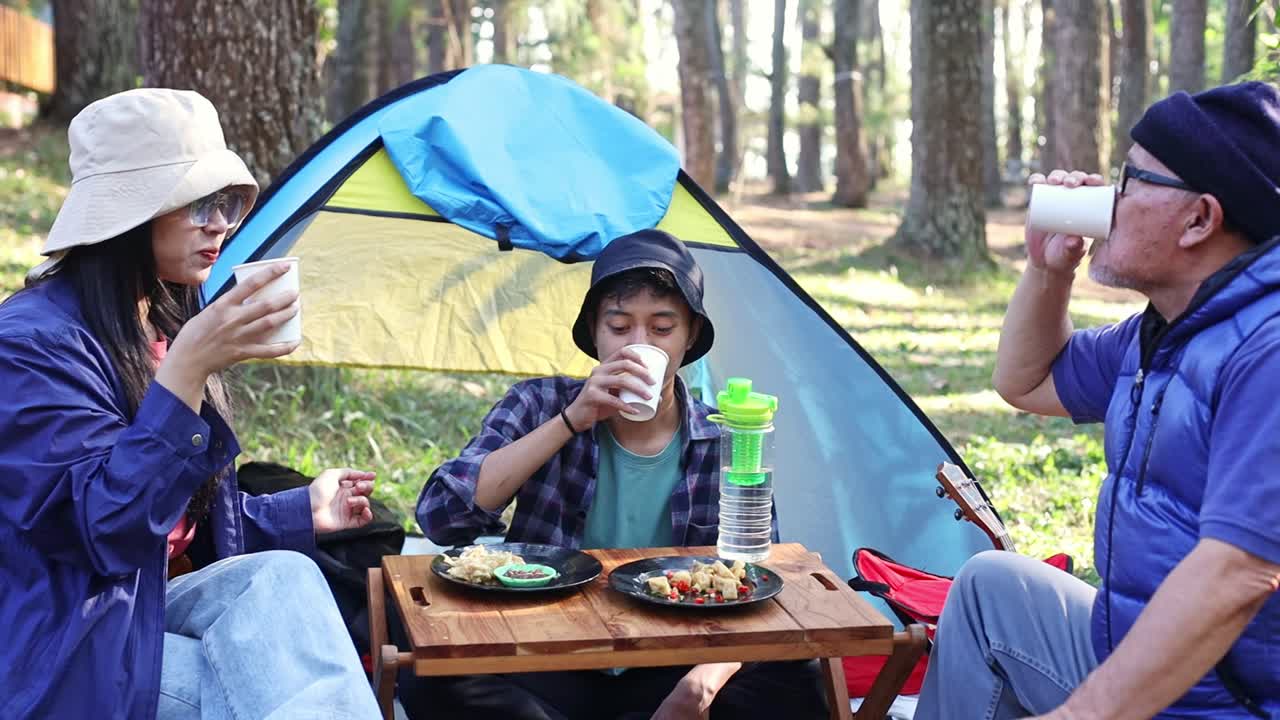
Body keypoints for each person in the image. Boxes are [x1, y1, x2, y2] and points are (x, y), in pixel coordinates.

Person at [0, 89, 381, 719]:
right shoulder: (29, 346)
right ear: (128, 215)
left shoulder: (158, 318)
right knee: (263, 682)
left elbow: (173, 522)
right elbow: (105, 532)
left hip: (145, 606)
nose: (221, 224)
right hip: (66, 638)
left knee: (282, 576)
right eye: (200, 203)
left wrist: (301, 512)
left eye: (228, 203)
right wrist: (187, 370)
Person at [916, 82, 1280, 719]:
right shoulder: (1165, 331)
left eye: (1130, 180)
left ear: (1199, 219)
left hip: (1234, 702)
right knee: (991, 589)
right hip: (1158, 663)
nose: (1106, 200)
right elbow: (1025, 381)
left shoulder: (1265, 352)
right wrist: (1048, 270)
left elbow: (1241, 572)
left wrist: (1082, 714)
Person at [410, 229, 827, 719]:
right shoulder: (539, 404)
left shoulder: (721, 440)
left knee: (798, 674)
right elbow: (442, 518)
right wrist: (572, 420)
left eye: (662, 328)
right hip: (546, 652)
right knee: (431, 673)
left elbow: (757, 580)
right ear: (595, 332)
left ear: (691, 336)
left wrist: (702, 685)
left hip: (669, 660)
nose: (638, 344)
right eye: (620, 326)